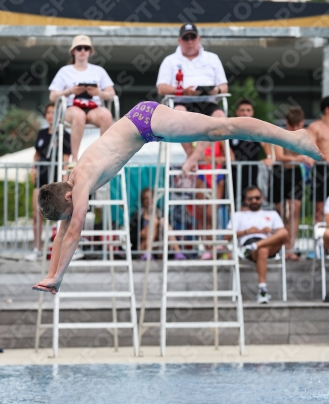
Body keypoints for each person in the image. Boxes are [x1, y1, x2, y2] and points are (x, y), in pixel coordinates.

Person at [31, 100, 322, 294]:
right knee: (218, 131)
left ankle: (293, 138)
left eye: (69, 211)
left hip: (148, 123)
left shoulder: (80, 183)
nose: (74, 215)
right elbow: (61, 235)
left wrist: (59, 276)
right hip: (145, 125)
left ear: (68, 198)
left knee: (222, 129)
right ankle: (290, 138)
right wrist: (51, 276)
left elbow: (74, 233)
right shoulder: (71, 182)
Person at [156, 22, 228, 163]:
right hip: (182, 101)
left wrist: (215, 90)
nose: (189, 41)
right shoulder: (170, 60)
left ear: (198, 38)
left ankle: (193, 159)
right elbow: (161, 87)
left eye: (192, 37)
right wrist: (184, 91)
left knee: (220, 116)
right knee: (178, 113)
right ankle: (191, 155)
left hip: (207, 101)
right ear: (179, 41)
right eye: (186, 38)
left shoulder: (212, 58)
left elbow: (224, 86)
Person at [49, 35, 115, 163]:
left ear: (90, 51)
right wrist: (70, 91)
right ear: (73, 51)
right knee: (79, 116)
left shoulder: (98, 70)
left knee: (107, 115)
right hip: (71, 108)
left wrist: (98, 92)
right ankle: (74, 158)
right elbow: (52, 96)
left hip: (93, 108)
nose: (83, 51)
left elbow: (111, 93)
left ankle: (102, 157)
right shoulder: (65, 71)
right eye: (79, 48)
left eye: (86, 48)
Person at [25, 102, 71, 262]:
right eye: (48, 112)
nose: (51, 115)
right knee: (36, 214)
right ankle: (37, 248)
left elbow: (66, 159)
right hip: (41, 180)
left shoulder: (64, 134)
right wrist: (33, 169)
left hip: (56, 181)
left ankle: (63, 250)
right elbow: (37, 155)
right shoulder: (42, 133)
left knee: (60, 215)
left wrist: (64, 182)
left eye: (54, 112)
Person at [226, 186, 288, 304]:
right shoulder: (238, 215)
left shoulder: (272, 213)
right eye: (251, 198)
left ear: (262, 199)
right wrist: (246, 231)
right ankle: (262, 290)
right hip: (248, 242)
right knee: (262, 251)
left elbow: (283, 234)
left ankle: (255, 246)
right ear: (246, 200)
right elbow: (226, 237)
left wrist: (270, 231)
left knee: (283, 232)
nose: (254, 201)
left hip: (268, 243)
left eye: (257, 198)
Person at [272, 107, 310, 261]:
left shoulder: (305, 135)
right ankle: (280, 247)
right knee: (280, 212)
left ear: (302, 123)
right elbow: (279, 156)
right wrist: (299, 158)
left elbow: (311, 154)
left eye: (297, 126)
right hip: (280, 174)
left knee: (294, 211)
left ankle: (290, 248)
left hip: (296, 174)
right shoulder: (280, 134)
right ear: (286, 123)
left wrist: (306, 158)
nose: (294, 129)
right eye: (291, 125)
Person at [229, 99, 274, 207]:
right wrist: (229, 153)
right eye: (242, 110)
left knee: (251, 204)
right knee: (233, 205)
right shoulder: (231, 128)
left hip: (252, 174)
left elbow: (265, 143)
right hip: (234, 173)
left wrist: (269, 156)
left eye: (248, 110)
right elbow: (221, 140)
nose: (245, 113)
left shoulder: (256, 130)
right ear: (237, 112)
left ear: (252, 112)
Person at [130, 188, 186, 260]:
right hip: (143, 245)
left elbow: (171, 231)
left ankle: (178, 252)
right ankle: (147, 252)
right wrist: (140, 234)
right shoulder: (138, 215)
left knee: (163, 221)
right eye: (146, 198)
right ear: (143, 201)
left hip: (159, 245)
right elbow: (131, 236)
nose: (149, 200)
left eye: (151, 197)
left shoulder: (161, 213)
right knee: (155, 221)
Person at [196, 141, 225, 260]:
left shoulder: (221, 139)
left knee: (210, 214)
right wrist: (205, 158)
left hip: (217, 176)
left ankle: (213, 246)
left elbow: (231, 157)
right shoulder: (197, 137)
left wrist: (219, 159)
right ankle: (207, 248)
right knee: (202, 215)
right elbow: (192, 156)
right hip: (202, 175)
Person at [307, 96, 329, 224]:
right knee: (319, 209)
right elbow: (311, 148)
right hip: (322, 170)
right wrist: (325, 157)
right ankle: (319, 243)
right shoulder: (315, 127)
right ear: (327, 109)